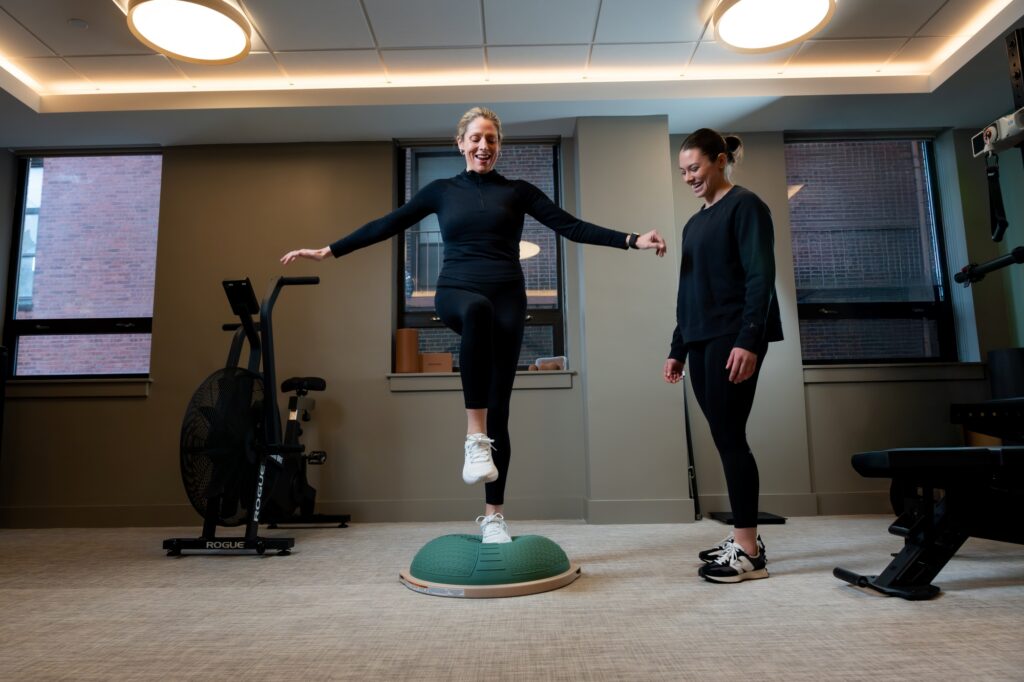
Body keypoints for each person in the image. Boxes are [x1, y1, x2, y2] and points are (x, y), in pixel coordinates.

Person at [282, 106, 667, 543]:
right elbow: (388, 224)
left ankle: (494, 516)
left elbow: (570, 226)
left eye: (492, 139)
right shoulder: (441, 191)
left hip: (508, 299)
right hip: (456, 293)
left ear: (498, 146)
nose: (484, 146)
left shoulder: (518, 192)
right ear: (460, 143)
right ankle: (472, 434)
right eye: (476, 138)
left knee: (500, 410)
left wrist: (633, 240)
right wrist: (328, 250)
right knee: (477, 314)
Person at [663, 129, 783, 583]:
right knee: (723, 436)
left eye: (694, 168)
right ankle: (744, 537)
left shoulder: (746, 206)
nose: (688, 177)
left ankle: (749, 551)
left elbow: (760, 276)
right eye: (682, 171)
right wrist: (678, 348)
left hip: (733, 337)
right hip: (700, 340)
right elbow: (687, 292)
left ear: (719, 161)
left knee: (731, 436)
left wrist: (749, 340)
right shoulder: (694, 223)